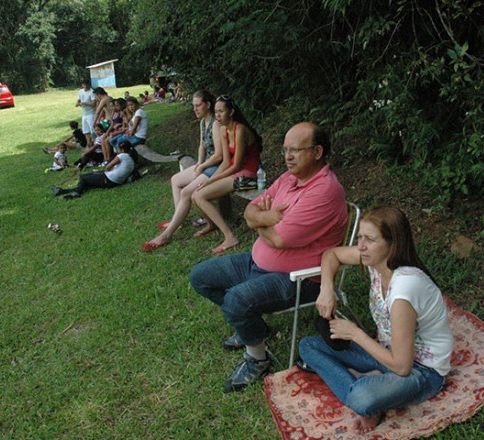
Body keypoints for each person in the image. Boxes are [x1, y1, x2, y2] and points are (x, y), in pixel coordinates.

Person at [190, 122, 348, 392]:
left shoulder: (323, 191)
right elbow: (250, 210)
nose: (287, 156)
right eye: (285, 149)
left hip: (299, 280)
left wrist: (259, 222)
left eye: (296, 150)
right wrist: (267, 218)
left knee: (235, 300)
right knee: (200, 277)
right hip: (256, 263)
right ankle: (254, 329)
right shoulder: (289, 178)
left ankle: (257, 358)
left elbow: (277, 238)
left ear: (318, 152)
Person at [298, 206, 454, 434]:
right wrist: (327, 289)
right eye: (359, 237)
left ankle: (368, 395)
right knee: (308, 346)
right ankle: (370, 383)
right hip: (386, 352)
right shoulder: (374, 261)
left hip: (422, 372)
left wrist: (354, 334)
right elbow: (331, 254)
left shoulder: (404, 288)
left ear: (393, 245)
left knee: (361, 398)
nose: (361, 246)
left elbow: (402, 366)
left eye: (370, 239)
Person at [141, 90, 222, 251]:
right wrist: (199, 162)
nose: (195, 109)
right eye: (193, 106)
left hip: (217, 167)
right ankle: (177, 221)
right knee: (176, 180)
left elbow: (219, 155)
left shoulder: (216, 123)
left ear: (207, 105)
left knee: (187, 192)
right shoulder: (202, 122)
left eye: (198, 105)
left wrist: (203, 166)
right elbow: (202, 146)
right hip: (206, 164)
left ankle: (167, 234)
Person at [190, 95, 261, 255]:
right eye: (216, 112)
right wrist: (211, 180)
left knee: (200, 196)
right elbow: (225, 163)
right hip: (236, 174)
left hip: (250, 178)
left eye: (221, 111)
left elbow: (236, 164)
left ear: (232, 112)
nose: (218, 115)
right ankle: (211, 223)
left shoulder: (240, 130)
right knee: (195, 195)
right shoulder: (223, 130)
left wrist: (211, 180)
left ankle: (230, 237)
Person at [52, 141, 137, 199]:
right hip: (115, 180)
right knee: (87, 180)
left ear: (122, 149)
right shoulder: (132, 159)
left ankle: (77, 193)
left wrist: (107, 170)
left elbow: (108, 167)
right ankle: (63, 191)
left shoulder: (122, 156)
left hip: (109, 179)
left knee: (83, 178)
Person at [100, 98, 127, 165]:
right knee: (103, 141)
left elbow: (123, 124)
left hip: (118, 130)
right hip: (114, 130)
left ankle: (109, 158)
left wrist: (119, 125)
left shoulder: (121, 113)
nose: (112, 108)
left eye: (114, 106)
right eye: (111, 106)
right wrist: (107, 132)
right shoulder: (113, 113)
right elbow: (112, 124)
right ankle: (105, 158)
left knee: (106, 141)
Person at [76, 79, 96, 146]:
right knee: (86, 130)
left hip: (91, 113)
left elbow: (93, 104)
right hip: (84, 113)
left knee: (92, 130)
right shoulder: (80, 91)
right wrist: (78, 103)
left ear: (88, 84)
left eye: (86, 84)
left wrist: (84, 103)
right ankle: (88, 143)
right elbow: (78, 100)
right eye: (84, 84)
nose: (85, 85)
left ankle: (94, 143)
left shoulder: (92, 92)